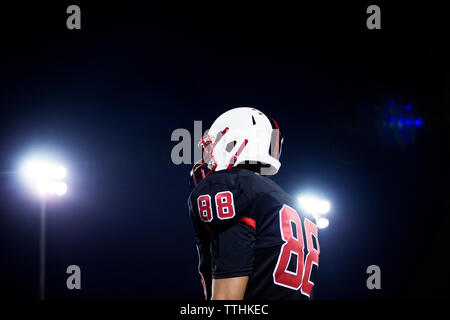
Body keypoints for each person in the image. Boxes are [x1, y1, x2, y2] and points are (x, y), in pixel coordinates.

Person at [188, 107, 320, 300]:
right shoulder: (293, 205)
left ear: (233, 143)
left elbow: (227, 300)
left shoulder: (233, 187)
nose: (208, 158)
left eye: (214, 145)